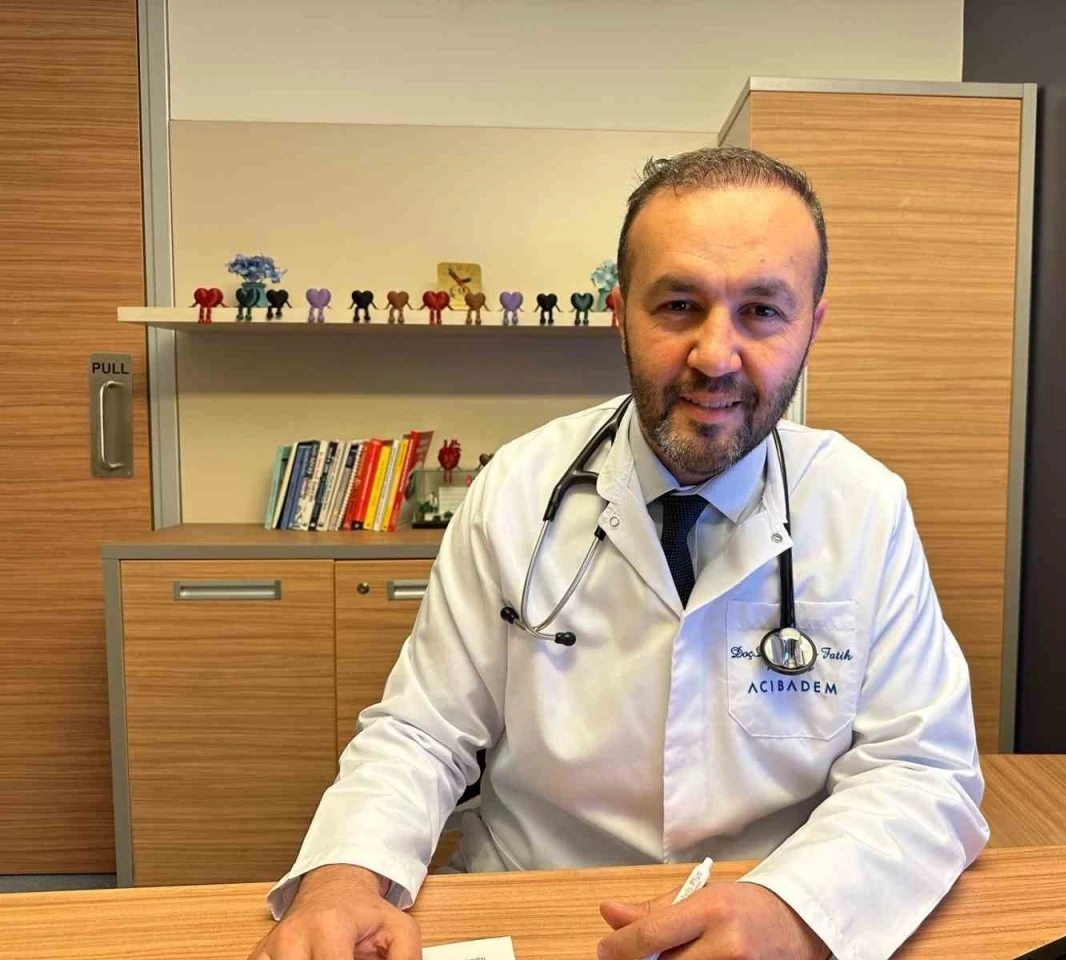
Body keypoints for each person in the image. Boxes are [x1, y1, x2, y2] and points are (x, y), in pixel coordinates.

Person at [251, 147, 987, 960]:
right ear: (620, 313)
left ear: (812, 324)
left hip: (776, 912)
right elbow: (423, 731)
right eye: (678, 305)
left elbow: (922, 770)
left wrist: (797, 910)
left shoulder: (863, 506)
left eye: (761, 311)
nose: (715, 355)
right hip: (536, 908)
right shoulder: (516, 489)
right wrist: (343, 882)